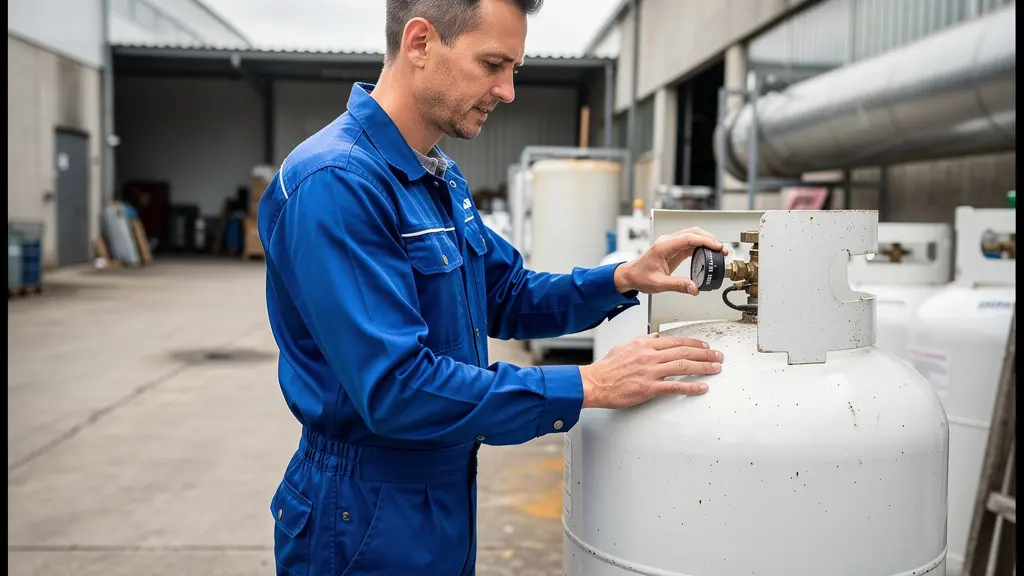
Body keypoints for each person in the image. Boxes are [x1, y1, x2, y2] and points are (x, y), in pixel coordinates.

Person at [257, 0, 727, 573]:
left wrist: (623, 277)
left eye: (514, 70)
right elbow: (396, 389)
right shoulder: (338, 184)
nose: (506, 91)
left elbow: (504, 296)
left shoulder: (434, 174)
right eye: (493, 64)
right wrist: (586, 384)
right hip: (364, 513)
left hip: (436, 495)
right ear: (421, 43)